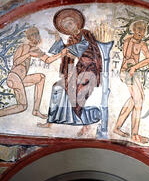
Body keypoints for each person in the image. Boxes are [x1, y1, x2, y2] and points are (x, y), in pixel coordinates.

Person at [38, 8, 103, 136]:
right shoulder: (71, 40)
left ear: (76, 23)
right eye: (66, 26)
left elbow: (86, 48)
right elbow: (66, 53)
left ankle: (85, 125)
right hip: (76, 70)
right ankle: (51, 121)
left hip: (88, 68)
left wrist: (70, 52)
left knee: (78, 92)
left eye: (70, 23)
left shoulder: (86, 34)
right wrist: (58, 39)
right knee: (57, 87)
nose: (69, 27)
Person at [0, 27, 63, 129]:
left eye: (37, 35)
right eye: (33, 35)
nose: (36, 37)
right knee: (22, 106)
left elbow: (48, 60)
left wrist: (61, 54)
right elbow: (16, 62)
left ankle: (36, 110)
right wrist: (28, 54)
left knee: (41, 77)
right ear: (29, 38)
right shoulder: (23, 47)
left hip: (22, 79)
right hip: (14, 77)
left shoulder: (36, 49)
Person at [113, 21, 149, 144]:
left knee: (134, 100)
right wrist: (133, 67)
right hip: (127, 72)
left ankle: (117, 128)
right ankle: (134, 134)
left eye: (143, 30)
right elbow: (127, 56)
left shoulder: (143, 44)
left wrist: (136, 67)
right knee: (138, 100)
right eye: (139, 29)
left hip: (133, 72)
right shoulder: (128, 41)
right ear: (134, 30)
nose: (141, 32)